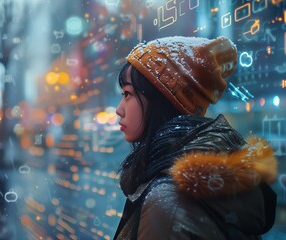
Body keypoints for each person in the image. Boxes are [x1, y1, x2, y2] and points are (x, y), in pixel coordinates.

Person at [113, 36, 278, 240]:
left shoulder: (166, 201)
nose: (119, 110)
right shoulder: (203, 183)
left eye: (128, 94)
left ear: (161, 99)